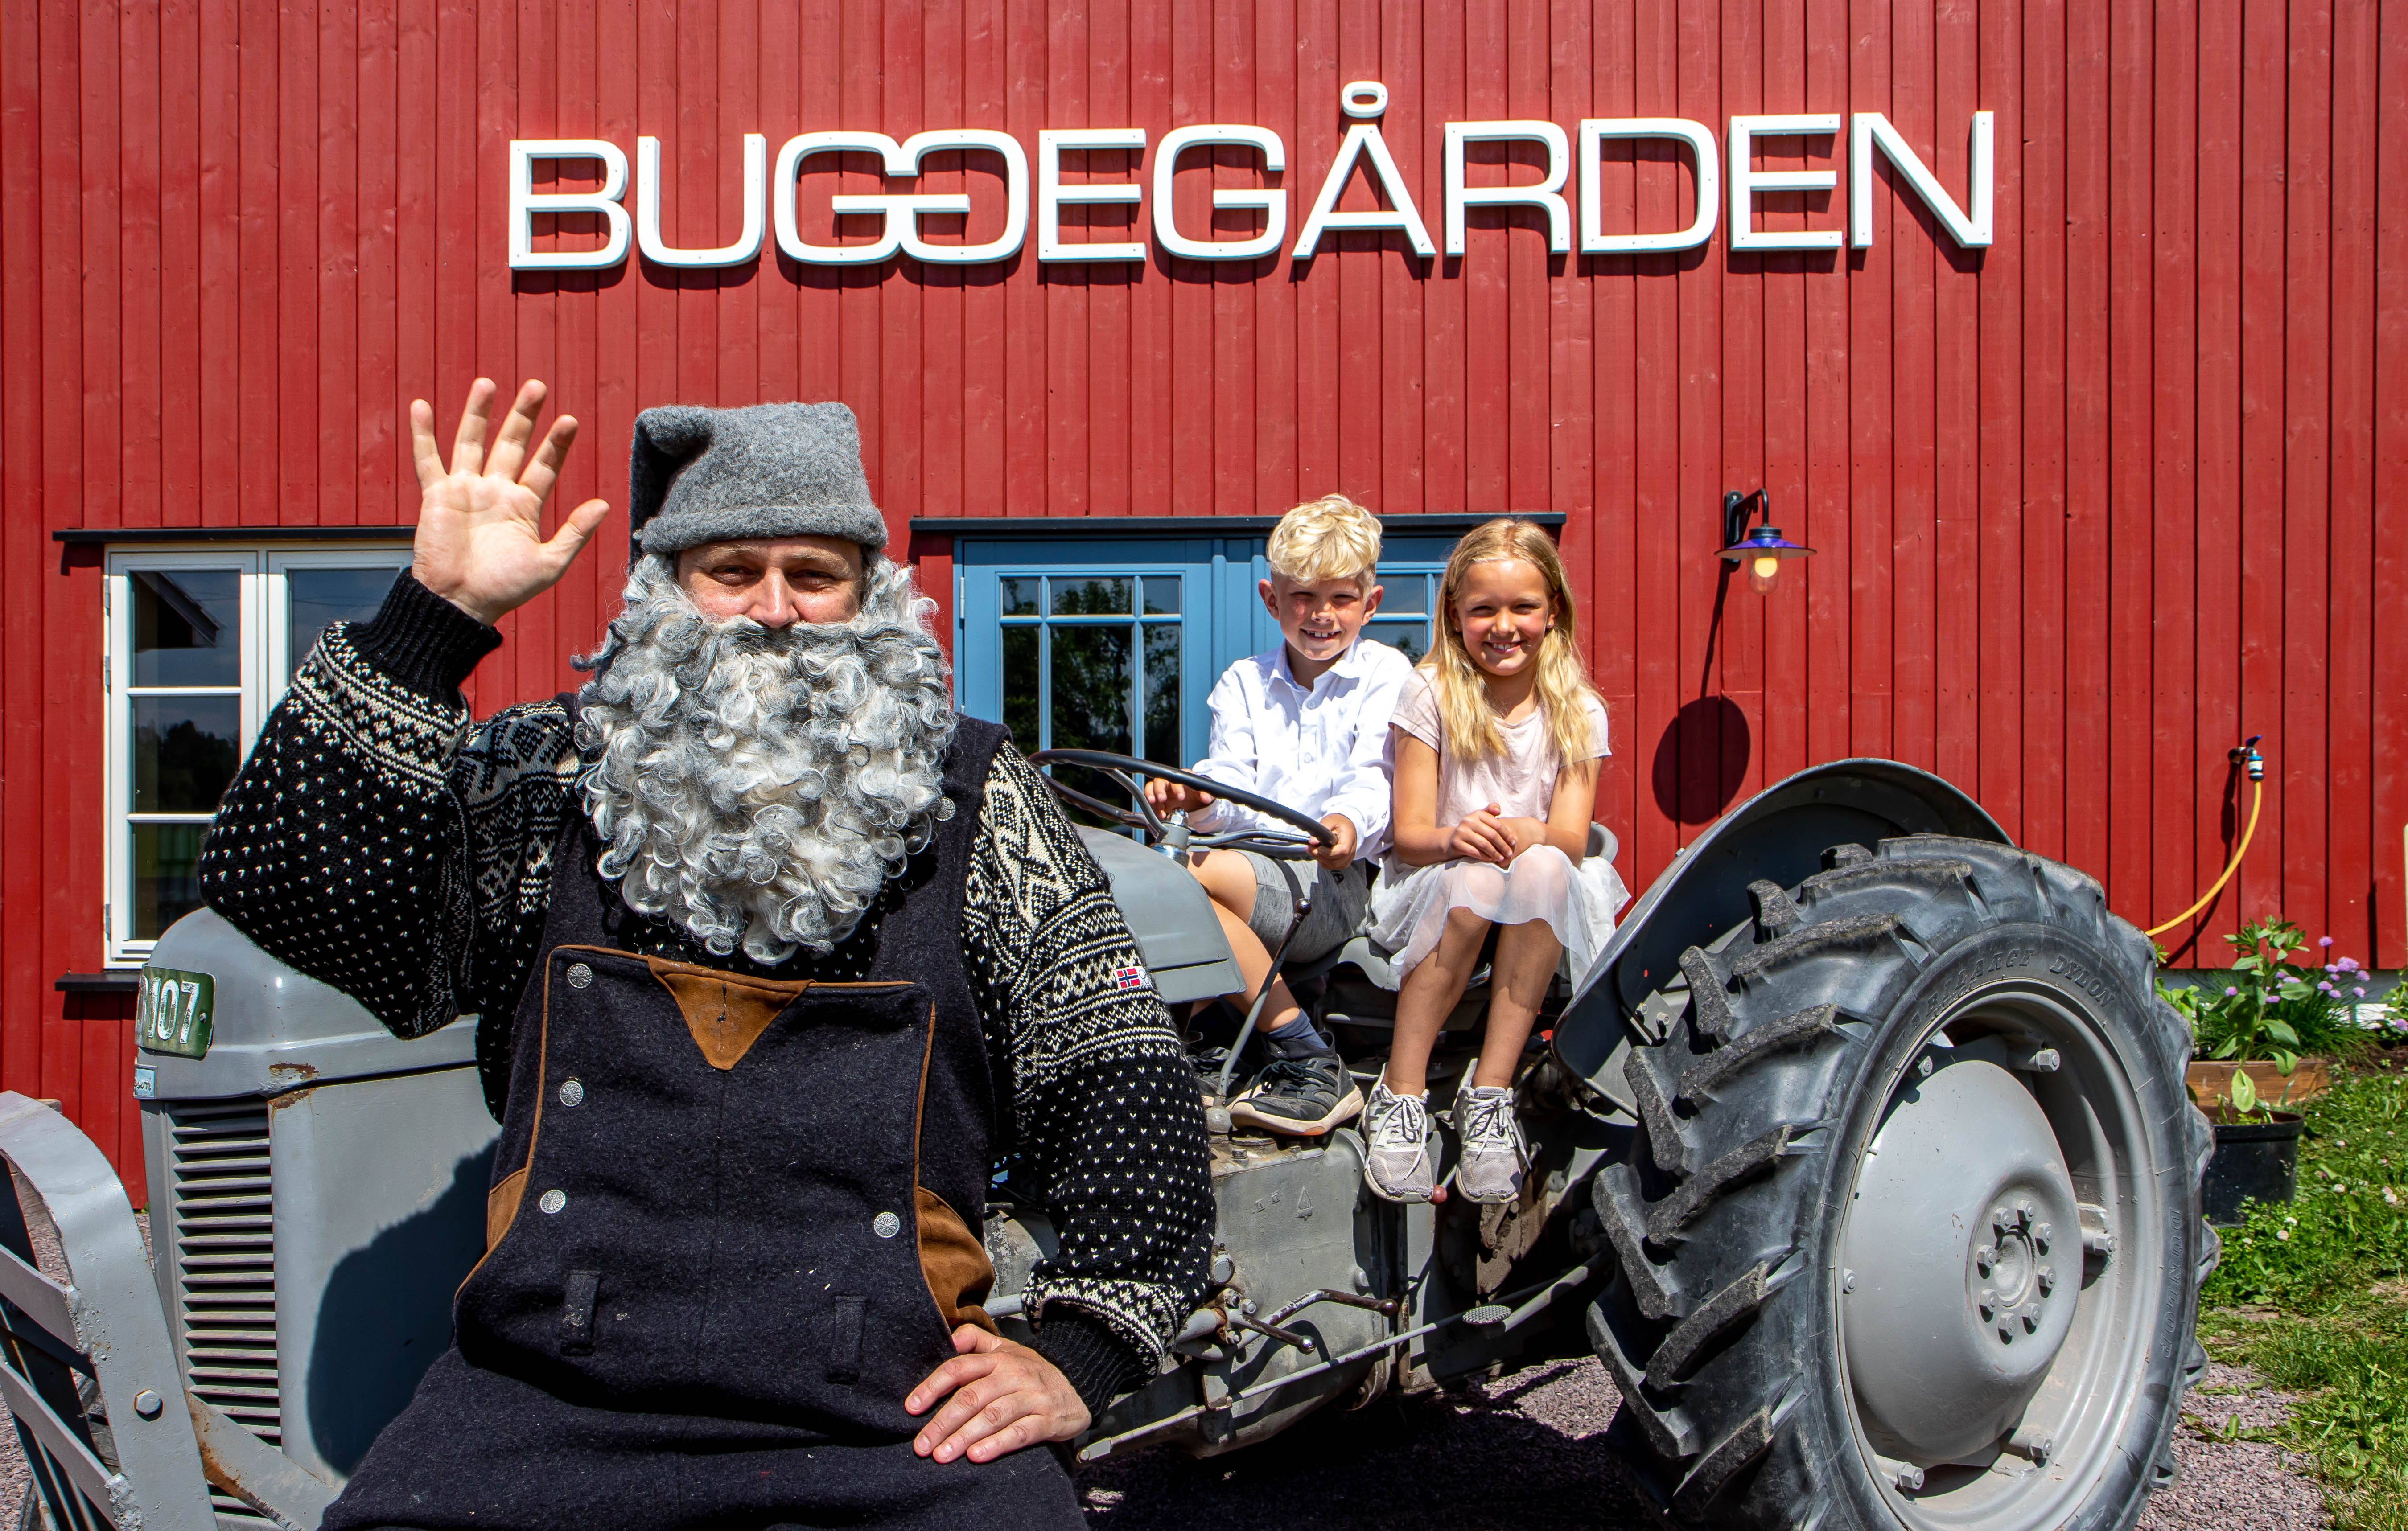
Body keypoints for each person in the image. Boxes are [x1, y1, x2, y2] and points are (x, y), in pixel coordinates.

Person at [196, 381, 1214, 1531]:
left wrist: (1078, 1353)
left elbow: (1119, 1070)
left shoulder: (978, 800)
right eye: (731, 569)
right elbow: (286, 894)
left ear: (869, 594)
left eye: (815, 575)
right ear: (666, 591)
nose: (774, 609)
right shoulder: (549, 781)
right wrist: (433, 617)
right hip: (545, 1407)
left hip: (896, 1421)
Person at [1358, 519, 1629, 1206]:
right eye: (1483, 610)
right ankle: (1402, 1091)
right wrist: (1457, 839)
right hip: (1439, 879)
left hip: (1540, 880)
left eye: (1522, 608)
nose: (1503, 627)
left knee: (1541, 870)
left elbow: (1571, 840)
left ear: (1554, 611)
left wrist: (1531, 829)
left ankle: (1490, 1095)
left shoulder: (1577, 710)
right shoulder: (1432, 694)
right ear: (1455, 614)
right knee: (1478, 878)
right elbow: (1411, 832)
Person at [1140, 496, 1408, 1137]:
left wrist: (1345, 824)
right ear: (1271, 598)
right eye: (1303, 597)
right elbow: (1232, 778)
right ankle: (1203, 1046)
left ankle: (1308, 1058)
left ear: (1370, 605)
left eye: (1342, 599)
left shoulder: (1386, 675)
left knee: (1178, 883)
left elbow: (1373, 776)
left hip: (1336, 882)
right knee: (1168, 882)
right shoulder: (1244, 682)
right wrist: (1200, 798)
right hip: (1257, 871)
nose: (1321, 616)